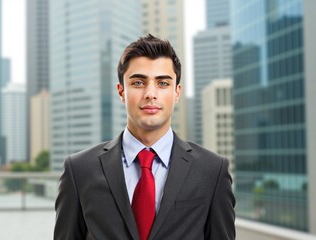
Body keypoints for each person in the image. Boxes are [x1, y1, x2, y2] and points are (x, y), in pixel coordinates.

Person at [54, 34, 235, 240]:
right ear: (121, 92)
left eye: (163, 83)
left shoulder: (212, 171)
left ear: (177, 92)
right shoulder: (79, 170)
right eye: (139, 83)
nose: (150, 93)